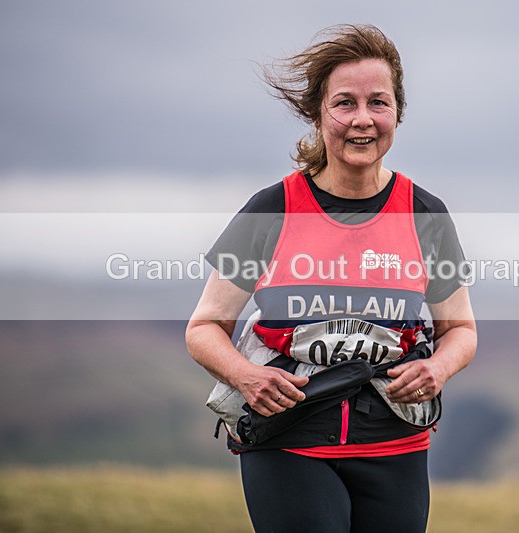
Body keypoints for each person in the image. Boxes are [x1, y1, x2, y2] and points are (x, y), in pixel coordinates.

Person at [186, 24, 477, 533]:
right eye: (345, 103)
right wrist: (245, 375)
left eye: (378, 103)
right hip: (288, 440)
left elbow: (460, 330)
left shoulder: (425, 213)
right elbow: (204, 328)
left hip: (397, 444)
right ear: (317, 114)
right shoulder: (271, 209)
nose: (363, 119)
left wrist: (439, 368)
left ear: (397, 113)